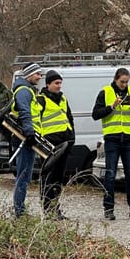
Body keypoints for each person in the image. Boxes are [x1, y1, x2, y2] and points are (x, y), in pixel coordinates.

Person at [91, 67, 130, 221]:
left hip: (128, 139)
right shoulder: (106, 92)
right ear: (116, 79)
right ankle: (108, 209)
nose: (124, 85)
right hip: (112, 139)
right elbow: (95, 114)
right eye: (122, 82)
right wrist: (112, 107)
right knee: (110, 174)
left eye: (127, 82)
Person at [37, 70, 75, 220]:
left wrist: (72, 138)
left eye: (60, 83)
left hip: (64, 142)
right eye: (56, 83)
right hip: (49, 145)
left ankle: (55, 208)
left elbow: (69, 118)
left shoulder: (63, 99)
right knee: (48, 178)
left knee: (59, 179)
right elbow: (36, 120)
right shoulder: (41, 99)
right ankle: (47, 210)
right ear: (48, 84)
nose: (59, 86)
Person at [10, 62, 43, 217]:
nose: (40, 77)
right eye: (37, 74)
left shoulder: (27, 90)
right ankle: (19, 211)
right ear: (29, 74)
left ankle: (20, 209)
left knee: (25, 176)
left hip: (28, 138)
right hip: (25, 138)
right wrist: (29, 132)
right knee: (23, 176)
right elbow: (24, 112)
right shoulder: (24, 91)